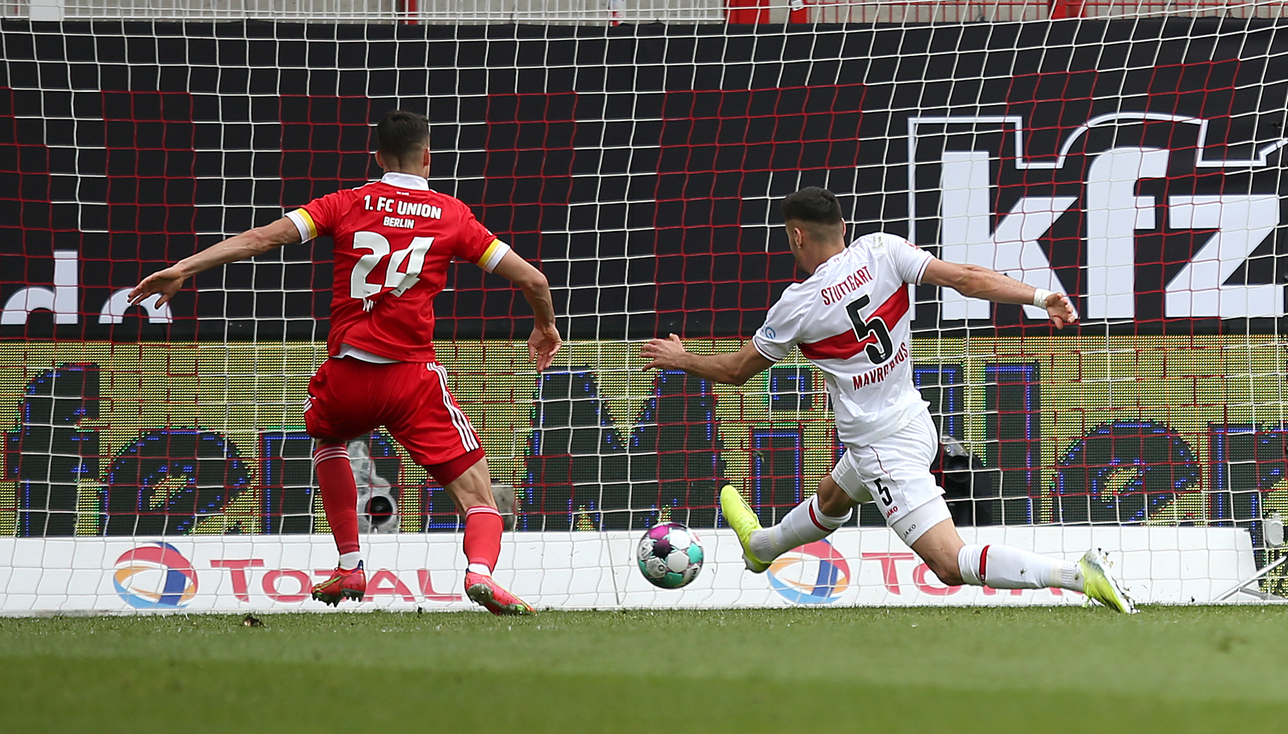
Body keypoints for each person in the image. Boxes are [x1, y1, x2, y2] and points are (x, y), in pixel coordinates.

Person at [128, 110, 561, 615]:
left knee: (329, 439)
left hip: (348, 373)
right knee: (479, 496)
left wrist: (182, 268)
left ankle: (351, 563)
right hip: (411, 379)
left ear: (377, 157)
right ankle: (480, 574)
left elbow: (259, 239)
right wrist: (544, 326)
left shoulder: (344, 203)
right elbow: (534, 281)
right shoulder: (451, 215)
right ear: (427, 157)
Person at [640, 187, 1136, 613]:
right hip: (917, 422)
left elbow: (735, 371)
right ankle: (762, 546)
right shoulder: (882, 249)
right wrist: (1038, 297)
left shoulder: (798, 304)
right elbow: (964, 276)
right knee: (833, 499)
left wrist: (681, 358)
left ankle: (1077, 575)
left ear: (796, 237)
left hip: (883, 448)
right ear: (843, 226)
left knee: (948, 563)